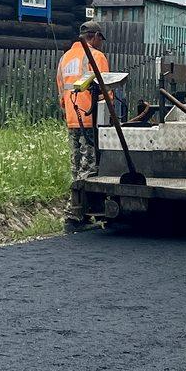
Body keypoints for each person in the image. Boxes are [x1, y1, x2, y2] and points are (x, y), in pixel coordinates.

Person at [57, 20, 114, 231]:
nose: (102, 43)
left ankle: (83, 210)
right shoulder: (96, 57)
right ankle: (76, 215)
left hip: (72, 118)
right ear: (95, 36)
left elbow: (61, 90)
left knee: (76, 165)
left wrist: (68, 111)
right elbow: (106, 90)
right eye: (101, 39)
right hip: (90, 118)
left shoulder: (65, 58)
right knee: (90, 167)